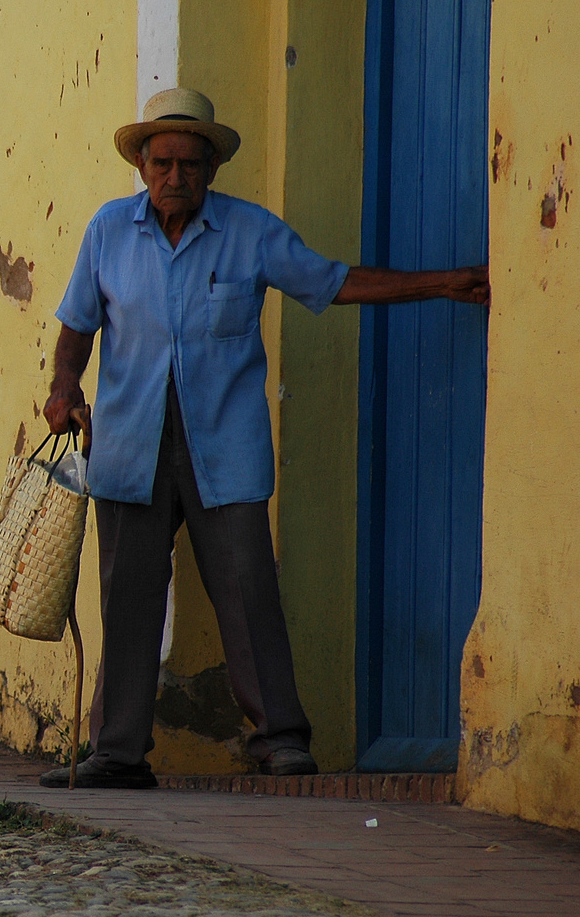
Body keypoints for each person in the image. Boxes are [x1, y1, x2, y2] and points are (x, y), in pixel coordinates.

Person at [37, 88, 489, 789]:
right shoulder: (107, 231)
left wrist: (442, 283)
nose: (175, 176)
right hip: (128, 445)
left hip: (224, 446)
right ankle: (117, 753)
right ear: (141, 163)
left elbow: (333, 283)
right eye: (162, 162)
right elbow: (76, 327)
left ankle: (280, 739)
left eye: (190, 163)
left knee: (247, 591)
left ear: (212, 169)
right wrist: (64, 388)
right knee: (126, 599)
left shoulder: (250, 232)